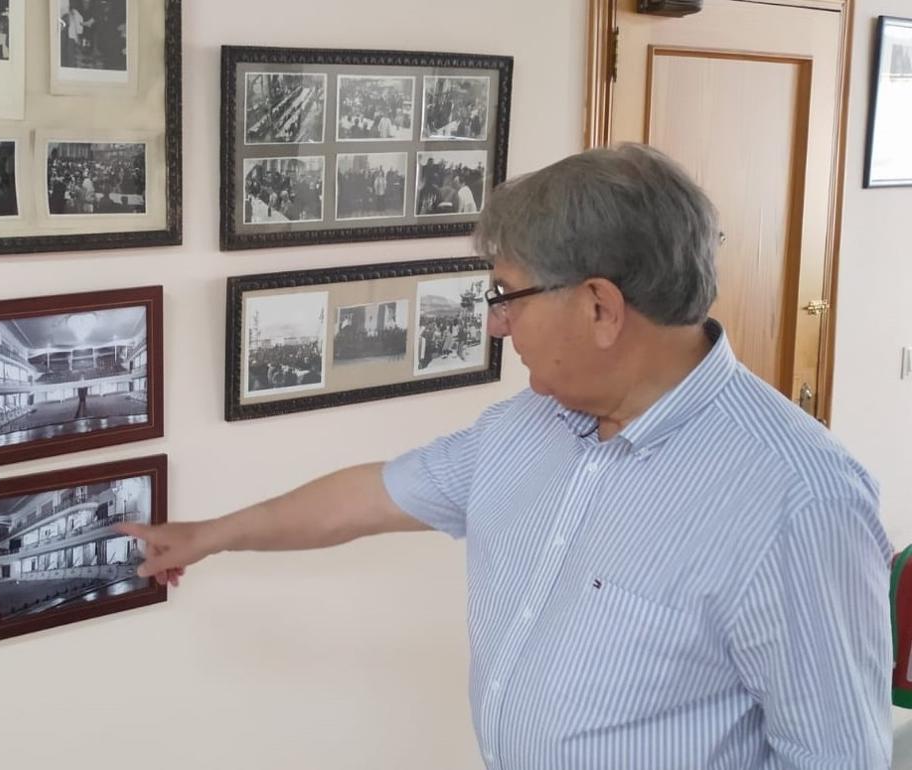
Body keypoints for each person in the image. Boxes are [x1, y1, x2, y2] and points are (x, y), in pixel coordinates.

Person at [117, 143, 894, 769]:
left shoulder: (798, 499)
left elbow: (835, 755)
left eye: (505, 295)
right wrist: (211, 534)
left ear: (599, 307)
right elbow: (368, 498)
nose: (496, 326)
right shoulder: (526, 428)